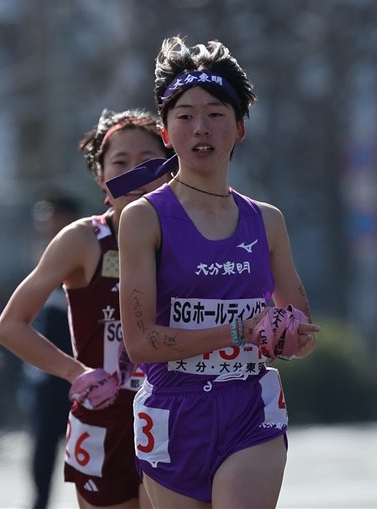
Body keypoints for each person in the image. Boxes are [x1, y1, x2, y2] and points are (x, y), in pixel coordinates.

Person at [109, 36, 320, 509]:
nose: (200, 127)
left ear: (240, 128)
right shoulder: (144, 218)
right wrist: (237, 330)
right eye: (184, 116)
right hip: (172, 411)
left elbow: (300, 329)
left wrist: (292, 337)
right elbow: (140, 342)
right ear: (166, 132)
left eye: (216, 114)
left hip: (249, 407)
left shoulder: (267, 220)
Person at [0, 109, 173, 509]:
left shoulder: (193, 237)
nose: (135, 173)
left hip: (174, 413)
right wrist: (76, 374)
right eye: (121, 163)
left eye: (148, 161)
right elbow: (10, 326)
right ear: (101, 176)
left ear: (168, 170)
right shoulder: (83, 240)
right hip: (103, 418)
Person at [23, 193, 80, 509]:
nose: (44, 220)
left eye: (49, 213)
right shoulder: (47, 254)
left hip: (81, 372)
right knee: (43, 445)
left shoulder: (87, 252)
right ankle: (40, 502)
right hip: (48, 373)